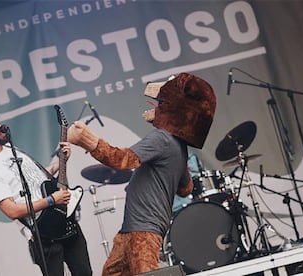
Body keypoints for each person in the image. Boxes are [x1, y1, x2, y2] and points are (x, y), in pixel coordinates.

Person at [67, 73, 216, 275]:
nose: (157, 106)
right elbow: (185, 188)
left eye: (161, 102)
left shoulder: (161, 138)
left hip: (144, 230)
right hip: (131, 230)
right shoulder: (180, 148)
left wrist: (87, 139)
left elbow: (122, 160)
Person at [0, 108, 92, 276]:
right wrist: (51, 200)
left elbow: (38, 178)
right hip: (45, 236)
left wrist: (61, 162)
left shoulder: (10, 150)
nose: (0, 126)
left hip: (64, 221)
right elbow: (11, 210)